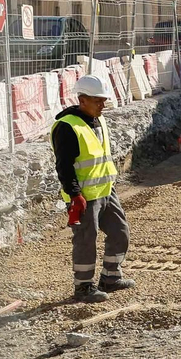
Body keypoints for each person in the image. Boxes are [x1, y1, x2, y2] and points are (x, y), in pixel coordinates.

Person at [51, 75, 133, 303]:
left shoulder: (99, 120)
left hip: (107, 191)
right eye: (97, 101)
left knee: (120, 233)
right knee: (86, 240)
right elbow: (64, 166)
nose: (102, 105)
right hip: (85, 196)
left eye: (103, 100)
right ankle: (83, 287)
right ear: (82, 99)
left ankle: (110, 278)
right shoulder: (67, 127)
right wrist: (75, 195)